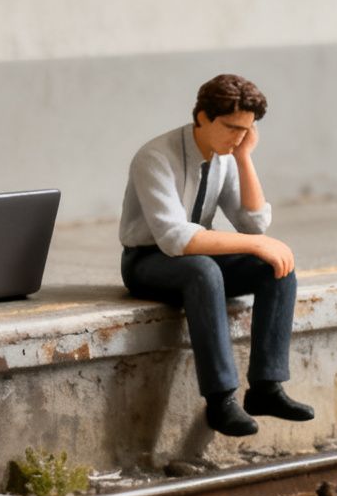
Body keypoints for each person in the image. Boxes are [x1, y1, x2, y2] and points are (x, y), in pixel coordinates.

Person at [118, 74, 314, 436]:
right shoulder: (154, 157)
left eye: (245, 130)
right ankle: (221, 399)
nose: (237, 137)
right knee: (205, 272)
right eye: (230, 127)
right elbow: (175, 238)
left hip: (197, 255)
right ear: (202, 116)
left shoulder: (226, 156)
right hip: (147, 261)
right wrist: (255, 244)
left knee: (276, 269)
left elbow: (254, 222)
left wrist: (244, 158)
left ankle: (267, 388)